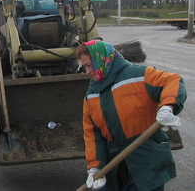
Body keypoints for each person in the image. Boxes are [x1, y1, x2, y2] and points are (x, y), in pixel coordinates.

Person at [77, 39, 187, 191]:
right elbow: (93, 135)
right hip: (115, 166)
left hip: (146, 161)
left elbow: (173, 80)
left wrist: (168, 106)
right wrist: (95, 167)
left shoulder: (138, 75)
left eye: (89, 65)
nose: (87, 71)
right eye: (84, 67)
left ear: (101, 59)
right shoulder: (91, 95)